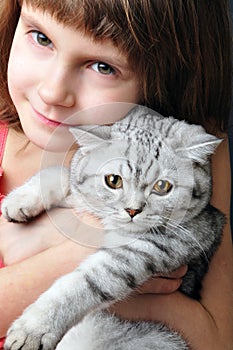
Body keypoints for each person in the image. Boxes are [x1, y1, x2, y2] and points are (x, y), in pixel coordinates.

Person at [0, 0, 232, 349]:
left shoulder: (187, 157)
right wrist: (86, 255)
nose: (52, 92)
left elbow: (213, 339)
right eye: (42, 38)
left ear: (165, 80)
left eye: (102, 66)